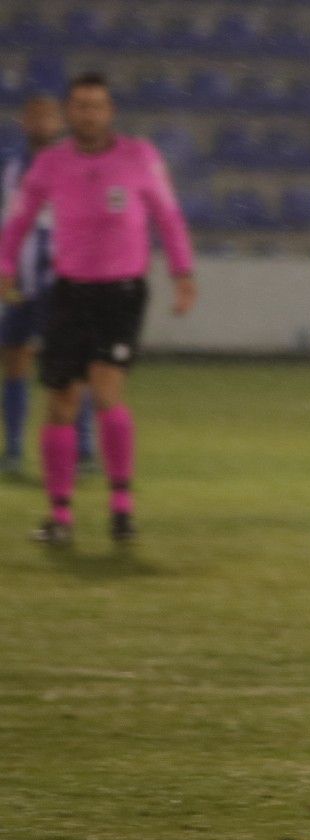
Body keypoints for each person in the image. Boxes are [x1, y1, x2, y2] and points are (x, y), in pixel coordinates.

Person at [0, 72, 197, 544]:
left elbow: (168, 217)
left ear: (110, 112)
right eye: (80, 105)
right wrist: (5, 265)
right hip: (70, 291)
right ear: (70, 113)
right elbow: (19, 219)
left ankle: (121, 507)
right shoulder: (50, 165)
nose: (88, 113)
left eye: (97, 105)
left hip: (121, 292)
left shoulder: (139, 157)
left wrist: (182, 272)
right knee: (62, 401)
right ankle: (60, 516)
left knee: (106, 393)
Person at [0, 94, 95, 476]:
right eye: (34, 115)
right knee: (14, 359)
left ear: (60, 122)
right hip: (18, 280)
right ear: (25, 121)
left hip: (60, 279)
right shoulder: (10, 165)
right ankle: (15, 450)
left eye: (48, 116)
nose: (41, 122)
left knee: (70, 365)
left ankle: (84, 449)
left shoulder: (74, 164)